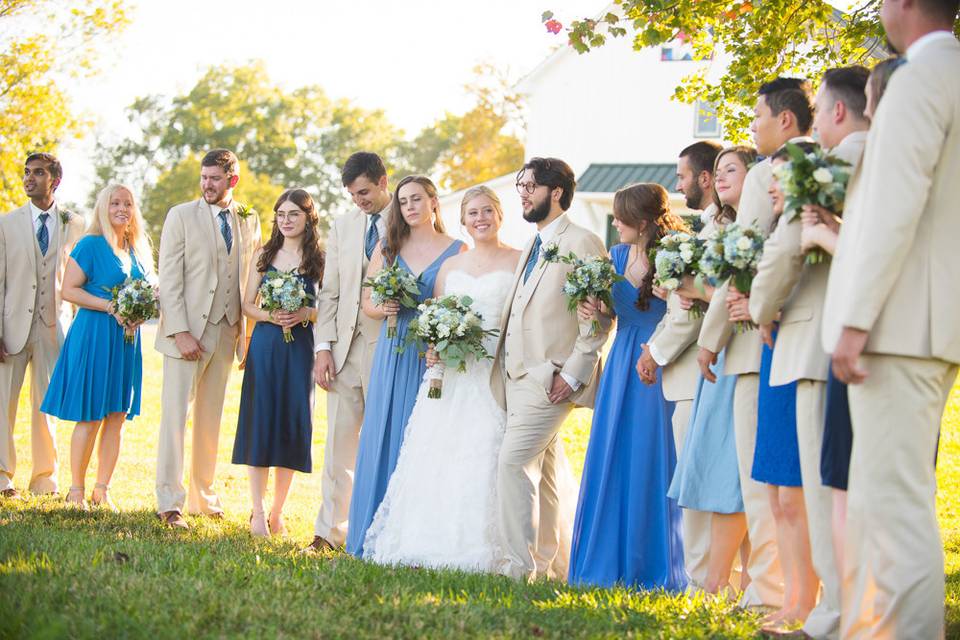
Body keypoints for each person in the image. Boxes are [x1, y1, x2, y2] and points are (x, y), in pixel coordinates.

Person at [824, 3, 959, 634]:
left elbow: (892, 205)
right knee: (896, 500)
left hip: (898, 326)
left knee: (891, 506)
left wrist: (855, 319)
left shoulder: (918, 79)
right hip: (933, 322)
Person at [740, 67, 871, 639]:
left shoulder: (821, 164)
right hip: (828, 334)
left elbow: (788, 249)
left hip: (812, 334)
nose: (813, 123)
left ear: (836, 111)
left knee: (825, 493)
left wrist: (761, 307)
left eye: (817, 112)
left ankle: (833, 613)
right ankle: (837, 608)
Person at [697, 77, 815, 613]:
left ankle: (771, 589)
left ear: (784, 119)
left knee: (764, 474)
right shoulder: (824, 160)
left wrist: (709, 339)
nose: (753, 128)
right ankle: (796, 589)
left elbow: (741, 261)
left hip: (756, 338)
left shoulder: (773, 171)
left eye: (758, 117)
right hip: (798, 330)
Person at [362, 186, 520, 571]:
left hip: (493, 372)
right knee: (438, 453)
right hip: (451, 373)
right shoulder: (452, 268)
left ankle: (496, 547)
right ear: (463, 220)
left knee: (487, 451)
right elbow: (437, 315)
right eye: (472, 213)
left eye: (487, 211)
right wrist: (435, 347)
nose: (480, 219)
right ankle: (431, 539)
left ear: (500, 214)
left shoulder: (518, 261)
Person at [804, 58, 900, 580]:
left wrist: (820, 234)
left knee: (846, 483)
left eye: (818, 110)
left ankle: (858, 613)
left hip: (863, 334)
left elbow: (871, 246)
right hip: (897, 336)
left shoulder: (856, 156)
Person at [493, 157, 611, 581]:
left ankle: (515, 568)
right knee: (543, 474)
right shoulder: (535, 242)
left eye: (530, 185)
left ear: (555, 191)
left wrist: (574, 374)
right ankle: (547, 566)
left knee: (511, 464)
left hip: (550, 377)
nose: (522, 192)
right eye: (519, 185)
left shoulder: (582, 241)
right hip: (515, 376)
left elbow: (598, 317)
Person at [568, 183, 687, 590]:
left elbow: (690, 310)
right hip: (621, 362)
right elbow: (608, 320)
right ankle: (607, 561)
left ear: (643, 221)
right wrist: (595, 309)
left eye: (621, 217)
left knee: (655, 455)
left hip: (662, 360)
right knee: (615, 453)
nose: (615, 223)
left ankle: (656, 563)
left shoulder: (675, 255)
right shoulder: (615, 256)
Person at [345, 175, 465, 557]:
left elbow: (459, 306)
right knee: (383, 434)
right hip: (393, 350)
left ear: (433, 202)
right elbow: (367, 301)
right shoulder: (389, 247)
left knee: (427, 438)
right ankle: (371, 532)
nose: (410, 207)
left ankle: (419, 538)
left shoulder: (458, 250)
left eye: (417, 199)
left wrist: (441, 340)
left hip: (430, 354)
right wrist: (384, 307)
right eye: (403, 201)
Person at [666, 146, 757, 597]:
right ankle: (720, 580)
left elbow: (722, 288)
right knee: (716, 466)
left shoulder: (755, 227)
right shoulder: (718, 226)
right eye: (717, 171)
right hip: (718, 354)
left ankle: (739, 580)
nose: (719, 178)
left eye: (731, 170)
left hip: (740, 349)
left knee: (736, 469)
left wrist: (694, 289)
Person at [155, 149, 262, 529]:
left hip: (228, 329)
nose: (207, 185)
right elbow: (169, 277)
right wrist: (180, 330)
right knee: (175, 418)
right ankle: (170, 502)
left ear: (232, 180)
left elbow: (252, 279)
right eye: (204, 177)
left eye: (215, 178)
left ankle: (204, 496)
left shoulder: (249, 218)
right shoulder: (180, 215)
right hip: (187, 331)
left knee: (210, 419)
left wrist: (245, 335)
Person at [635, 141, 721, 587]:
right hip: (693, 372)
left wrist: (654, 351)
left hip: (695, 371)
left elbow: (689, 312)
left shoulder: (709, 235)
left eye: (682, 176)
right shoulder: (701, 232)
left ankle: (705, 581)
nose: (678, 184)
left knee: (698, 481)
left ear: (704, 179)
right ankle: (711, 578)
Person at [40, 184, 154, 511]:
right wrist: (111, 307)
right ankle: (76, 489)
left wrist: (139, 312)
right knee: (90, 415)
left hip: (126, 340)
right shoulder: (90, 245)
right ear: (103, 208)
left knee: (116, 415)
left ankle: (102, 490)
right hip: (94, 335)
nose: (122, 208)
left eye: (128, 204)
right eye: (115, 203)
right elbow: (69, 291)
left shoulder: (135, 249)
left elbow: (145, 291)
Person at [305, 152, 390, 553]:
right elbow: (331, 292)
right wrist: (324, 349)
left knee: (381, 445)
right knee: (337, 447)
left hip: (389, 351)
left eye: (365, 192)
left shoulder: (407, 220)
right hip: (342, 353)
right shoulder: (343, 226)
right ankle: (328, 532)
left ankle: (377, 534)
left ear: (383, 182)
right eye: (353, 195)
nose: (359, 201)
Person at [232, 189, 324, 537]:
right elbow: (246, 304)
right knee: (261, 423)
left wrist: (305, 312)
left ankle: (277, 512)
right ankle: (256, 511)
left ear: (308, 218)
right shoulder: (263, 256)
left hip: (301, 349)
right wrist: (270, 315)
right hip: (267, 348)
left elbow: (327, 309)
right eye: (281, 215)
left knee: (290, 426)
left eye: (293, 215)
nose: (286, 221)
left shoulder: (320, 261)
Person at [0, 153, 84, 499]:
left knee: (45, 406)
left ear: (55, 181)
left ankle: (44, 478)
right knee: (3, 403)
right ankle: (3, 477)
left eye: (37, 173)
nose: (29, 178)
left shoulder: (75, 225)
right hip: (10, 328)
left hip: (53, 328)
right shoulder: (6, 223)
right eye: (26, 172)